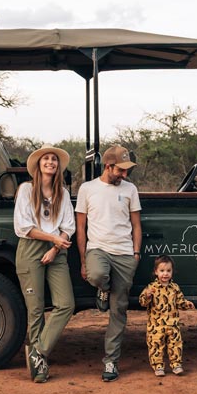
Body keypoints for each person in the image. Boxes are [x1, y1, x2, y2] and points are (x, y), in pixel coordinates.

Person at [76, 144, 142, 382]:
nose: (124, 175)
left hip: (124, 253)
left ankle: (111, 361)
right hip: (98, 249)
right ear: (108, 166)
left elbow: (136, 224)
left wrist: (135, 254)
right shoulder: (87, 189)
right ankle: (103, 289)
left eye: (126, 170)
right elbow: (80, 228)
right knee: (96, 276)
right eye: (121, 170)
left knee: (119, 310)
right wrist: (83, 261)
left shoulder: (130, 189)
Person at [13, 145, 74, 383]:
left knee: (65, 304)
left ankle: (38, 351)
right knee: (36, 309)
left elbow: (68, 226)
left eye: (54, 160)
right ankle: (39, 367)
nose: (50, 162)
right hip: (31, 247)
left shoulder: (63, 193)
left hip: (56, 250)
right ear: (38, 165)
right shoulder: (26, 190)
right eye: (46, 159)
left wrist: (55, 248)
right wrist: (53, 239)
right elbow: (23, 226)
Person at [137, 255, 193, 377]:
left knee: (175, 344)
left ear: (172, 272)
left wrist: (187, 304)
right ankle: (158, 366)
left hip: (172, 324)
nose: (165, 274)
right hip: (156, 325)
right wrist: (147, 296)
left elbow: (179, 302)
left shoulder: (175, 288)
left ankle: (176, 364)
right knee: (155, 345)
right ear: (156, 272)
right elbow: (142, 302)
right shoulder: (151, 288)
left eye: (168, 271)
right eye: (162, 271)